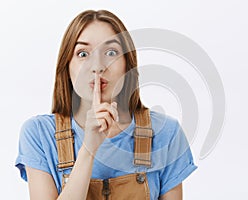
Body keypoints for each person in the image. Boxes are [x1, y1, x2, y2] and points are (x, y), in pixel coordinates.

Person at [15, 9, 197, 200]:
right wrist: (89, 148)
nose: (98, 66)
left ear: (128, 65)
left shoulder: (166, 132)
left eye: (111, 52)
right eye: (83, 53)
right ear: (66, 66)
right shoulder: (39, 134)